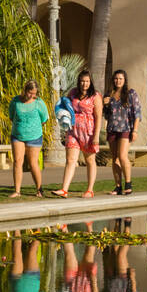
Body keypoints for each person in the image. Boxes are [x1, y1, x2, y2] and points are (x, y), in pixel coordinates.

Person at [53, 68, 102, 198]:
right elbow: (66, 106)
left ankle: (90, 190)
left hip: (89, 132)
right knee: (70, 160)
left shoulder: (95, 96)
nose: (84, 84)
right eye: (82, 81)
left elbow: (98, 116)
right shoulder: (73, 93)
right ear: (78, 81)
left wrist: (96, 136)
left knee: (90, 160)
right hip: (73, 130)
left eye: (87, 81)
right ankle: (64, 189)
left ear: (90, 82)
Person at [103, 69, 142, 196]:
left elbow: (137, 113)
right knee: (114, 159)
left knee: (122, 156)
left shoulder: (131, 93)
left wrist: (135, 130)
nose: (118, 81)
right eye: (116, 78)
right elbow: (107, 115)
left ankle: (128, 184)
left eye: (120, 78)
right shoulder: (110, 94)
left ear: (124, 80)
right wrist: (105, 105)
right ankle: (118, 186)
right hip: (112, 129)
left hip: (125, 129)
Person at [8, 80, 49, 198]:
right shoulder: (15, 101)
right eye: (30, 93)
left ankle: (39, 189)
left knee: (33, 163)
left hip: (34, 137)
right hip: (17, 136)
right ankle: (17, 191)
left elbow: (44, 119)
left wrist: (32, 127)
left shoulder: (39, 103)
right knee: (17, 161)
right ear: (25, 91)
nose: (32, 95)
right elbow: (12, 116)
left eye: (34, 93)